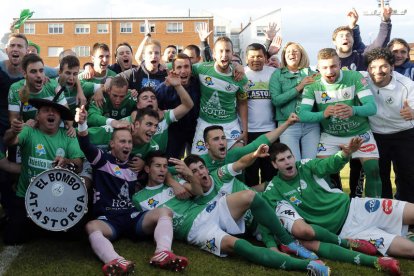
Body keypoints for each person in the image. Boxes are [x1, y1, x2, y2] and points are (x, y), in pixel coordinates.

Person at [132, 151, 330, 275]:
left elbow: (198, 190)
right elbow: (145, 225)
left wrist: (177, 178)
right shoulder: (138, 198)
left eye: (165, 167)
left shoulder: (179, 180)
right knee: (242, 247)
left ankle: (288, 241)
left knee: (249, 196)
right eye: (157, 166)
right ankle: (306, 267)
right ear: (147, 169)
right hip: (194, 231)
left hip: (208, 210)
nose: (162, 170)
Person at [264, 139, 413, 269]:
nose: (288, 162)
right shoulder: (273, 190)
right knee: (410, 250)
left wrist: (344, 154)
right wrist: (271, 245)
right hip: (347, 233)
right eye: (282, 160)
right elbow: (265, 219)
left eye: (289, 157)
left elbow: (329, 164)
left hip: (356, 207)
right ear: (274, 164)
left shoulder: (306, 166)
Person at [75, 106, 188, 275]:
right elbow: (85, 144)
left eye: (129, 142)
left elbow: (160, 169)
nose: (126, 145)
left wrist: (178, 177)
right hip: (109, 219)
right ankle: (115, 260)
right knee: (91, 226)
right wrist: (82, 124)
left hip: (131, 216)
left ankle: (163, 253)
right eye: (122, 141)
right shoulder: (102, 160)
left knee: (165, 212)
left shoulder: (134, 166)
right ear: (111, 144)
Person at [299, 48, 381, 198]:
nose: (329, 71)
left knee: (373, 169)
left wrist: (353, 110)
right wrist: (323, 113)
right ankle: (336, 208)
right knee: (321, 173)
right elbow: (303, 114)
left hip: (360, 132)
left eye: (333, 66)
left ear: (340, 64)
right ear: (318, 67)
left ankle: (372, 212)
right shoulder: (312, 84)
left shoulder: (354, 77)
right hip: (330, 135)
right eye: (325, 67)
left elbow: (372, 107)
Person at [3, 98, 84, 244]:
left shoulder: (68, 135)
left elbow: (79, 164)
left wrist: (67, 162)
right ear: (37, 116)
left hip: (58, 199)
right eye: (46, 110)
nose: (51, 113)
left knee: (75, 237)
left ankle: (40, 229)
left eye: (55, 112)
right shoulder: (29, 131)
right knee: (11, 238)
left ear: (60, 118)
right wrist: (13, 131)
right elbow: (10, 141)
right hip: (27, 197)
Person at [364, 47, 414, 202]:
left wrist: (413, 113)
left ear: (392, 67)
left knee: (408, 175)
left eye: (383, 66)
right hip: (376, 135)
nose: (377, 71)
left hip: (404, 134)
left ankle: (408, 216)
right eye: (373, 67)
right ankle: (384, 215)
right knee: (379, 175)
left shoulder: (407, 84)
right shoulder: (362, 79)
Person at [190, 36, 249, 155]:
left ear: (233, 54)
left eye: (228, 51)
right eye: (220, 51)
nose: (224, 54)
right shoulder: (202, 68)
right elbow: (176, 66)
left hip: (229, 125)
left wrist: (245, 130)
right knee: (197, 163)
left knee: (238, 159)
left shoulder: (241, 78)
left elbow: (243, 104)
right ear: (214, 54)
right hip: (205, 123)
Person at [200, 113, 298, 179]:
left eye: (223, 138)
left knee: (267, 186)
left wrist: (287, 123)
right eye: (216, 139)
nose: (222, 142)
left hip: (240, 198)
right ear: (207, 145)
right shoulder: (199, 162)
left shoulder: (234, 154)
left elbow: (261, 141)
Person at [270, 42, 320, 161]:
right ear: (284, 56)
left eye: (295, 51)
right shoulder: (277, 74)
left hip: (311, 125)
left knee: (310, 163)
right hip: (287, 125)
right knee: (292, 162)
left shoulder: (314, 74)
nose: (291, 54)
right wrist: (299, 87)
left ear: (302, 54)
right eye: (288, 52)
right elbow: (276, 100)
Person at [243, 43, 277, 185]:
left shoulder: (274, 72)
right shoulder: (241, 73)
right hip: (248, 131)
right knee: (250, 172)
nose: (256, 59)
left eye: (259, 56)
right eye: (252, 56)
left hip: (270, 131)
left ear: (265, 58)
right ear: (246, 58)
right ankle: (251, 204)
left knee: (270, 172)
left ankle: (270, 203)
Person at [156, 53, 200, 159]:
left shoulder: (199, 83)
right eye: (179, 67)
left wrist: (237, 66)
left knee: (197, 162)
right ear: (173, 70)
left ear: (191, 69)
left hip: (195, 129)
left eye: (186, 66)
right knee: (171, 162)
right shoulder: (164, 88)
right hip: (173, 132)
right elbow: (152, 107)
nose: (183, 71)